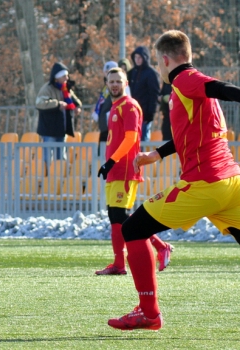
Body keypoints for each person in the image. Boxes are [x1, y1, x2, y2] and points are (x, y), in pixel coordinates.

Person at [108, 30, 240, 331]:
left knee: (133, 229)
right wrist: (158, 154)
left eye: (157, 62)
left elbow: (223, 88)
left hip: (205, 183)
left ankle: (149, 313)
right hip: (232, 182)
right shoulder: (192, 88)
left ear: (165, 59)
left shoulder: (184, 80)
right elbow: (191, 134)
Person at [95, 67, 174, 276]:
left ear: (126, 84)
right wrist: (109, 164)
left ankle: (159, 248)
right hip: (114, 170)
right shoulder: (114, 107)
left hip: (124, 169)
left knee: (122, 218)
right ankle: (119, 264)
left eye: (118, 81)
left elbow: (130, 139)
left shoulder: (129, 106)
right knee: (116, 217)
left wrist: (111, 161)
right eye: (111, 81)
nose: (114, 85)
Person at [35, 63, 82, 169]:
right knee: (49, 157)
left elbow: (74, 101)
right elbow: (40, 103)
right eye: (64, 76)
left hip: (61, 129)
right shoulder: (47, 88)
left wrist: (76, 106)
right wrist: (57, 104)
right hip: (49, 129)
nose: (67, 78)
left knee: (61, 156)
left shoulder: (66, 89)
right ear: (57, 78)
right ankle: (47, 177)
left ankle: (60, 178)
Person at [128, 46, 161, 141]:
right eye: (136, 57)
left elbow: (154, 95)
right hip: (131, 114)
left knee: (143, 141)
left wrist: (150, 115)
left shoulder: (151, 73)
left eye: (140, 57)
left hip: (144, 115)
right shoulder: (131, 73)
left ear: (145, 58)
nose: (137, 60)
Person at [91, 61, 117, 154]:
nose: (107, 74)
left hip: (111, 124)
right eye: (106, 72)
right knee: (102, 152)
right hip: (104, 126)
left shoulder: (117, 87)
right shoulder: (105, 88)